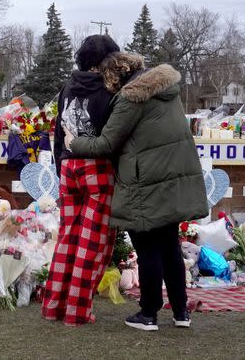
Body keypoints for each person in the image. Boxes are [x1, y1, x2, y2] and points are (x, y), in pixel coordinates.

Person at [64, 52, 209, 331]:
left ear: (114, 75)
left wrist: (74, 142)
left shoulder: (132, 97)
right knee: (169, 246)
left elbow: (106, 143)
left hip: (145, 183)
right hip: (172, 178)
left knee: (147, 247)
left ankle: (148, 314)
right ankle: (181, 312)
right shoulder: (166, 89)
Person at [41, 35, 120, 326]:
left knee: (68, 236)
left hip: (67, 167)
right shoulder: (110, 90)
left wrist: (61, 160)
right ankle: (77, 311)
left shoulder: (67, 88)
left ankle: (54, 306)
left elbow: (59, 133)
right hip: (97, 167)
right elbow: (113, 137)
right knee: (91, 241)